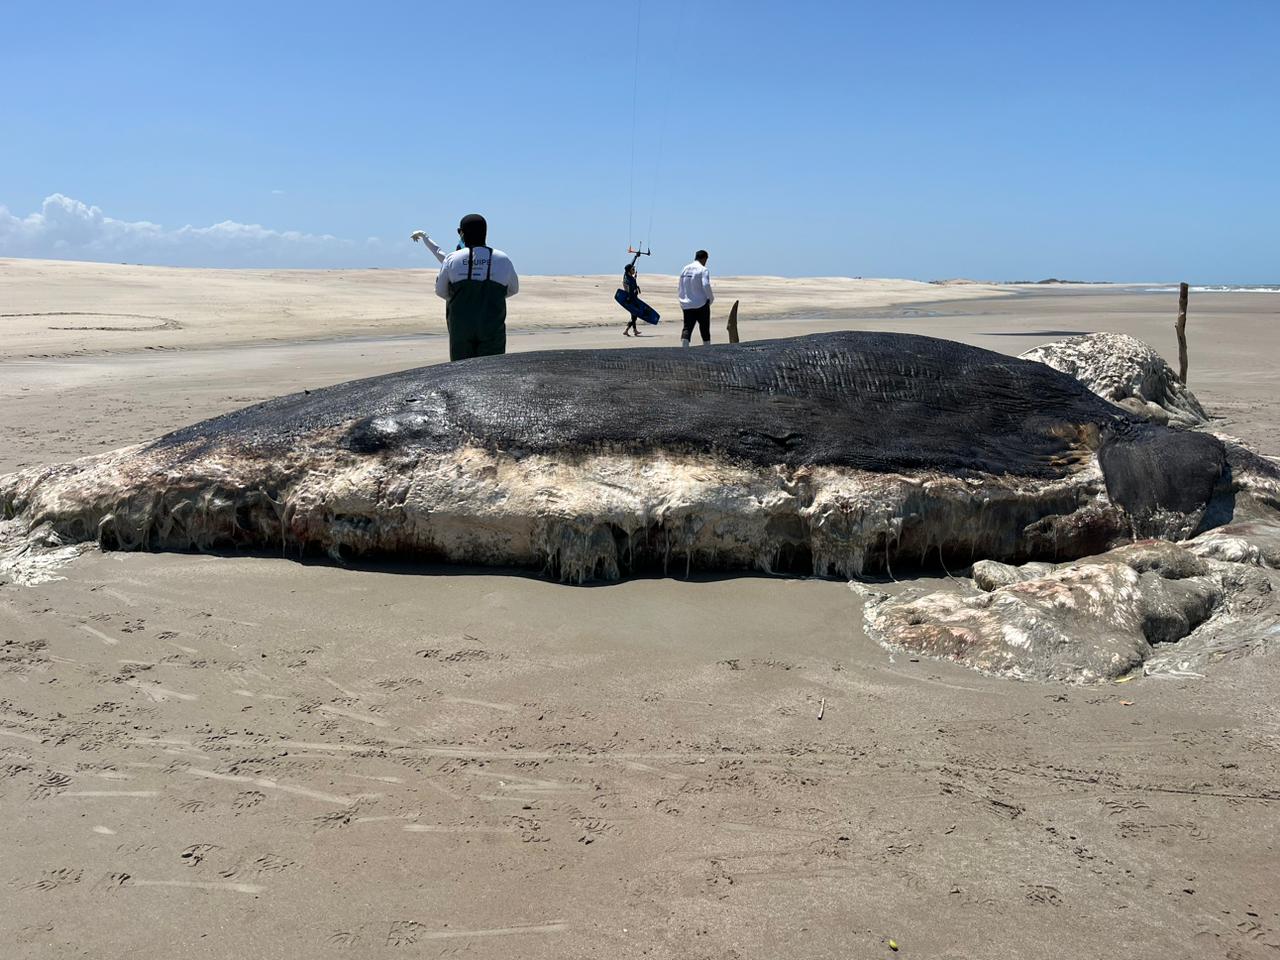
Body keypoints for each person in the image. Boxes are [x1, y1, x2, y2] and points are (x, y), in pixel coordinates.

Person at [433, 214, 519, 361]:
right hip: (492, 325)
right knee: (491, 369)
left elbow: (441, 291)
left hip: (461, 326)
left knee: (462, 370)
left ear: (462, 233)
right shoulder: (502, 258)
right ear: (485, 232)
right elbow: (514, 289)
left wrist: (462, 299)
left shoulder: (453, 258)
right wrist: (490, 299)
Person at [677, 249, 714, 347]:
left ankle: (684, 349)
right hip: (701, 304)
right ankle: (707, 349)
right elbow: (706, 285)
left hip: (687, 304)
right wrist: (710, 298)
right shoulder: (703, 269)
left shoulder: (684, 269)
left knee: (687, 328)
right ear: (704, 258)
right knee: (705, 329)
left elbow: (680, 286)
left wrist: (682, 301)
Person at [622, 262, 642, 336]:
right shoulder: (629, 280)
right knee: (635, 315)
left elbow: (631, 263)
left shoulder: (628, 276)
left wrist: (636, 256)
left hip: (633, 298)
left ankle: (634, 330)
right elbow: (630, 291)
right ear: (629, 271)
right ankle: (626, 330)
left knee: (634, 316)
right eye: (633, 269)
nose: (634, 270)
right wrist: (631, 300)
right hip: (632, 299)